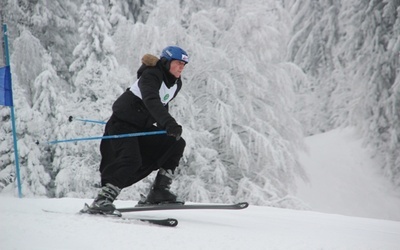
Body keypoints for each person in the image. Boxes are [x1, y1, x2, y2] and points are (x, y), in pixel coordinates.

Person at [88, 46, 189, 214]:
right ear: (166, 62)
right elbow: (151, 100)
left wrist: (166, 127)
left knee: (175, 144)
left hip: (142, 127)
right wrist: (168, 123)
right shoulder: (151, 75)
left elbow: (163, 104)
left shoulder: (176, 84)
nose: (181, 67)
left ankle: (159, 191)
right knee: (131, 159)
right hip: (121, 124)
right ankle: (103, 199)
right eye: (178, 63)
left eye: (184, 65)